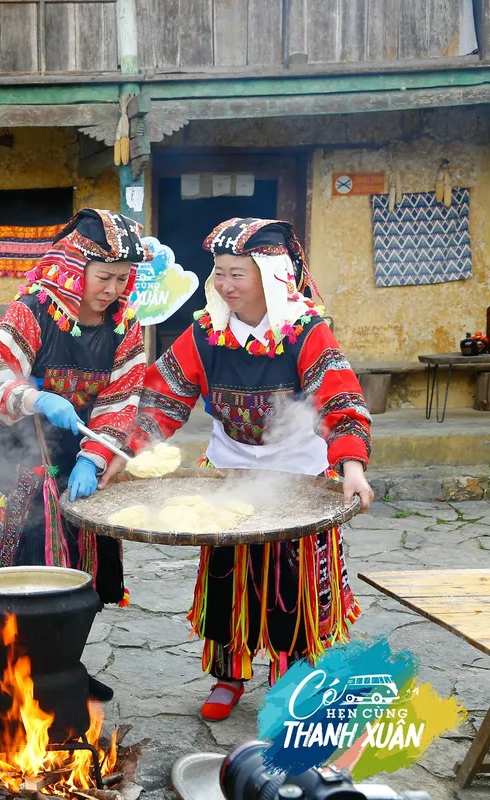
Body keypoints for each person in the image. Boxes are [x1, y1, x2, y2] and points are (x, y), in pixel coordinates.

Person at [104, 218, 374, 721]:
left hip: (297, 472)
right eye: (220, 273)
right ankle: (229, 677)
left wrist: (352, 467)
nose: (225, 285)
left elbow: (340, 401)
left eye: (237, 275)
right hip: (228, 467)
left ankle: (292, 680)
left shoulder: (305, 331)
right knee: (228, 576)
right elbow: (164, 396)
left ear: (269, 277)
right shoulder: (207, 332)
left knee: (291, 582)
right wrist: (126, 449)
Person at [0, 209, 152, 701]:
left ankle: (64, 664)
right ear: (75, 267)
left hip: (84, 462)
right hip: (23, 461)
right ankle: (20, 673)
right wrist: (34, 398)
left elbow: (121, 400)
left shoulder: (124, 327)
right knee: (29, 572)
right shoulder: (32, 312)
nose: (112, 289)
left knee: (84, 573)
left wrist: (94, 458)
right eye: (104, 276)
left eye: (122, 279)